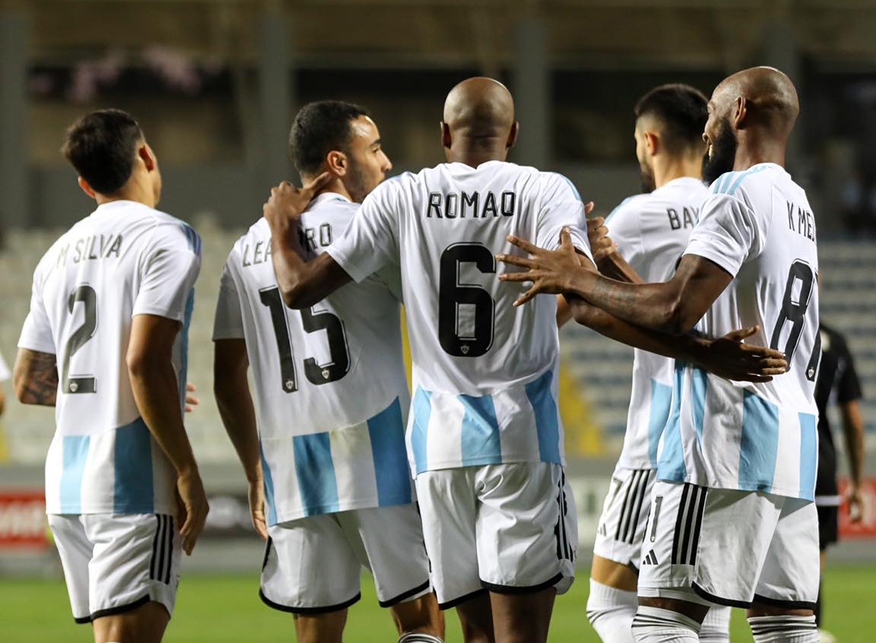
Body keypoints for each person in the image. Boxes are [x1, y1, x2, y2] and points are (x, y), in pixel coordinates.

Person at [499, 66, 821, 643]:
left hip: (726, 440)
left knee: (661, 622)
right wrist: (611, 271)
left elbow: (675, 308)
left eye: (713, 117)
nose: (706, 134)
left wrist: (578, 277)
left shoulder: (736, 191)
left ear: (738, 113)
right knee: (786, 631)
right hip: (794, 445)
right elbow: (694, 310)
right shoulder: (799, 205)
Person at [262, 77, 589, 643]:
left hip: (438, 449)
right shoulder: (543, 189)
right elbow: (576, 280)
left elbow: (298, 288)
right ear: (513, 133)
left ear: (443, 133)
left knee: (476, 634)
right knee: (521, 634)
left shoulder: (400, 197)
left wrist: (280, 228)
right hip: (521, 438)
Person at [212, 100, 443, 643]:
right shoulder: (368, 227)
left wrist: (255, 473)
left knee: (316, 631)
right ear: (339, 161)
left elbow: (227, 377)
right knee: (419, 618)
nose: (386, 163)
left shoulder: (246, 249)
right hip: (376, 453)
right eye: (375, 149)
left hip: (291, 467)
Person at [13, 109, 208, 643]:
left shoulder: (55, 255)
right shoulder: (169, 237)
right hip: (131, 481)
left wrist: (129, 386)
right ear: (146, 155)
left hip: (68, 487)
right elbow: (144, 362)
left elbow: (29, 383)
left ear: (85, 184)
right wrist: (187, 471)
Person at [582, 84, 730, 643]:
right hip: (730, 437)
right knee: (703, 616)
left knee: (610, 605)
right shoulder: (732, 207)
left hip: (659, 439)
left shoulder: (639, 214)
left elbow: (569, 309)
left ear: (649, 141)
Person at [813, 322, 865, 643]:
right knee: (811, 561)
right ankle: (810, 632)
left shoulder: (768, 326)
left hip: (767, 458)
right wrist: (856, 484)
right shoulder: (834, 342)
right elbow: (853, 421)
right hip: (819, 464)